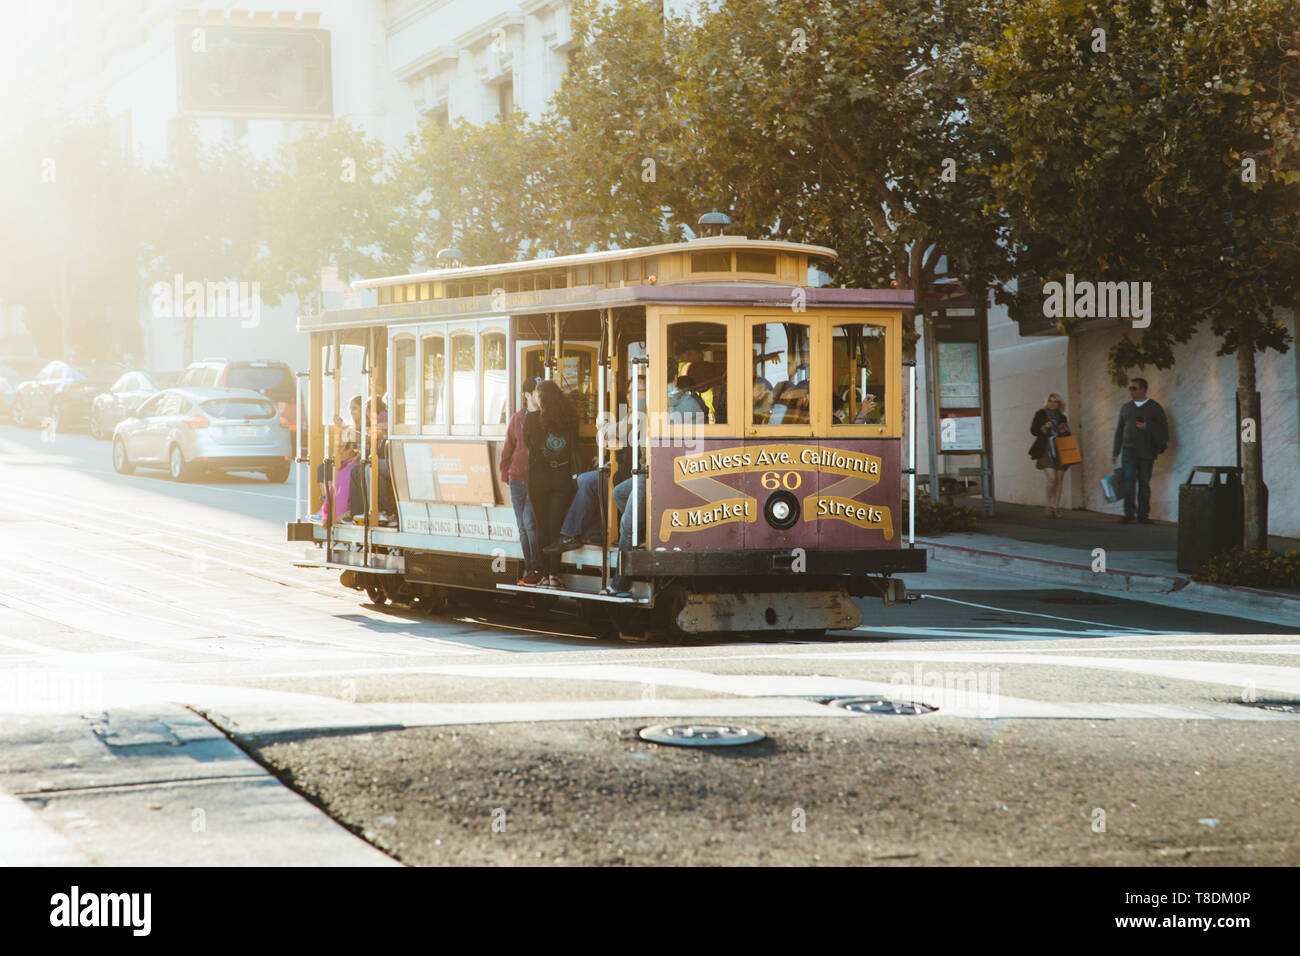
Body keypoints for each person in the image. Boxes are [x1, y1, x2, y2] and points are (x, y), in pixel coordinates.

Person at [546, 375, 646, 555]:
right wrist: (613, 457)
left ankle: (577, 534)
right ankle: (591, 532)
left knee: (591, 482)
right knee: (587, 479)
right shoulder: (631, 415)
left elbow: (627, 442)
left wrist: (609, 435)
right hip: (624, 472)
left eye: (637, 391)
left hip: (632, 477)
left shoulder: (642, 413)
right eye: (629, 392)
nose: (630, 396)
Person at [524, 379, 580, 587]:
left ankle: (544, 574)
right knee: (556, 527)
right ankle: (554, 575)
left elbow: (528, 443)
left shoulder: (531, 419)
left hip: (538, 479)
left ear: (541, 397)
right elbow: (574, 446)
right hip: (561, 477)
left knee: (541, 527)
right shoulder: (569, 418)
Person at [500, 377, 543, 585]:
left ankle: (537, 567)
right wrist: (505, 472)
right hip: (517, 479)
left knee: (530, 522)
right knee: (522, 526)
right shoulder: (517, 418)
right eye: (536, 391)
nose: (540, 395)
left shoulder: (545, 417)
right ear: (527, 395)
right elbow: (508, 446)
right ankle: (529, 568)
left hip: (536, 480)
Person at [1111, 377, 1169, 524]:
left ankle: (1143, 515)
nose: (1131, 391)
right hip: (1128, 449)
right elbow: (1120, 430)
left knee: (1144, 482)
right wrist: (1115, 451)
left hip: (1146, 449)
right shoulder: (1126, 408)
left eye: (1134, 388)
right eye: (1130, 388)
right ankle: (1129, 513)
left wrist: (1147, 426)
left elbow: (1163, 429)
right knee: (1129, 481)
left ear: (1143, 389)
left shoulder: (1154, 408)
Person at [1028, 393, 1072, 518]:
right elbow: (1033, 430)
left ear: (1059, 404)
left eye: (1055, 401)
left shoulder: (1062, 417)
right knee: (1052, 479)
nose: (1052, 403)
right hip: (1045, 449)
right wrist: (1044, 427)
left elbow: (1067, 434)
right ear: (1046, 402)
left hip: (1060, 449)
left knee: (1059, 480)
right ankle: (1048, 505)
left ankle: (1055, 508)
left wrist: (1063, 431)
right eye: (1050, 401)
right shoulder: (1041, 414)